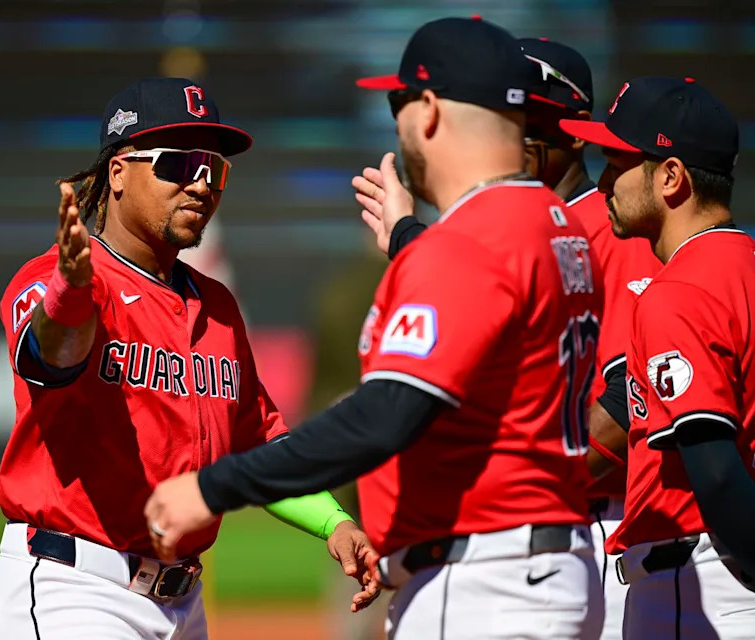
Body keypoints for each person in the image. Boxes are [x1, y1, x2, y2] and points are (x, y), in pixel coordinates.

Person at [145, 18, 605, 638]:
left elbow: (385, 414)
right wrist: (410, 239)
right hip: (552, 565)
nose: (398, 123)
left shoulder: (466, 247)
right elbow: (492, 294)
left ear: (431, 111)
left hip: (484, 581)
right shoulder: (558, 225)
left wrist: (213, 486)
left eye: (399, 103)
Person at [0, 77, 377, 640]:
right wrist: (69, 292)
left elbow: (261, 441)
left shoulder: (217, 306)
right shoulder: (58, 281)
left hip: (182, 607)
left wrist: (334, 523)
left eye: (215, 169)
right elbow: (51, 356)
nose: (201, 184)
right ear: (118, 172)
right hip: (75, 589)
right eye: (178, 164)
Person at [353, 38, 661, 640]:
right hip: (542, 536)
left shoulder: (606, 227)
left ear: (574, 135)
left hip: (588, 530)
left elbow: (632, 397)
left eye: (528, 121)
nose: (510, 136)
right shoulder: (528, 224)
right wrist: (409, 237)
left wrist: (535, 484)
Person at [561, 76, 755, 638]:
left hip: (699, 589)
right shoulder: (742, 267)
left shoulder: (679, 292)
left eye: (618, 163)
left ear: (671, 177)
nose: (602, 183)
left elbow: (715, 475)